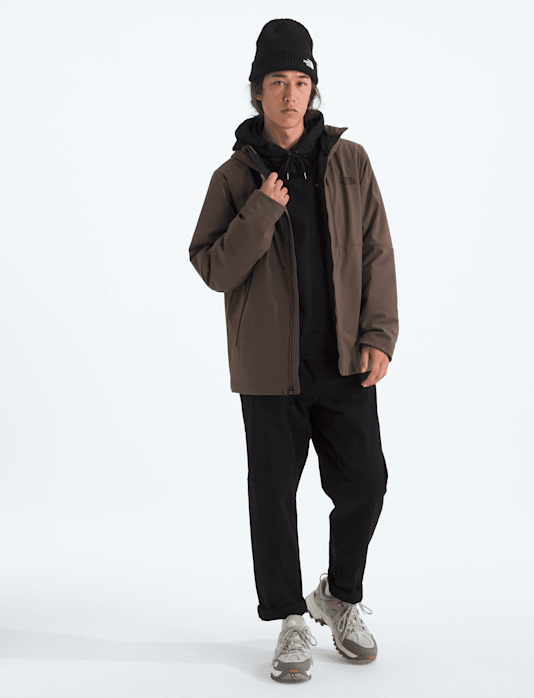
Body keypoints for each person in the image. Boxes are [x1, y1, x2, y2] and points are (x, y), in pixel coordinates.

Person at [188, 18, 398, 683]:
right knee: (274, 496)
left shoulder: (350, 162)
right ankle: (288, 620)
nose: (288, 95)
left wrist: (379, 336)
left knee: (365, 483)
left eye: (299, 82)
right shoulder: (234, 177)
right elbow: (213, 267)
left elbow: (376, 251)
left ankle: (338, 595)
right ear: (257, 92)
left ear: (312, 89)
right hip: (268, 368)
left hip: (344, 360)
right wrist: (262, 209)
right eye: (276, 82)